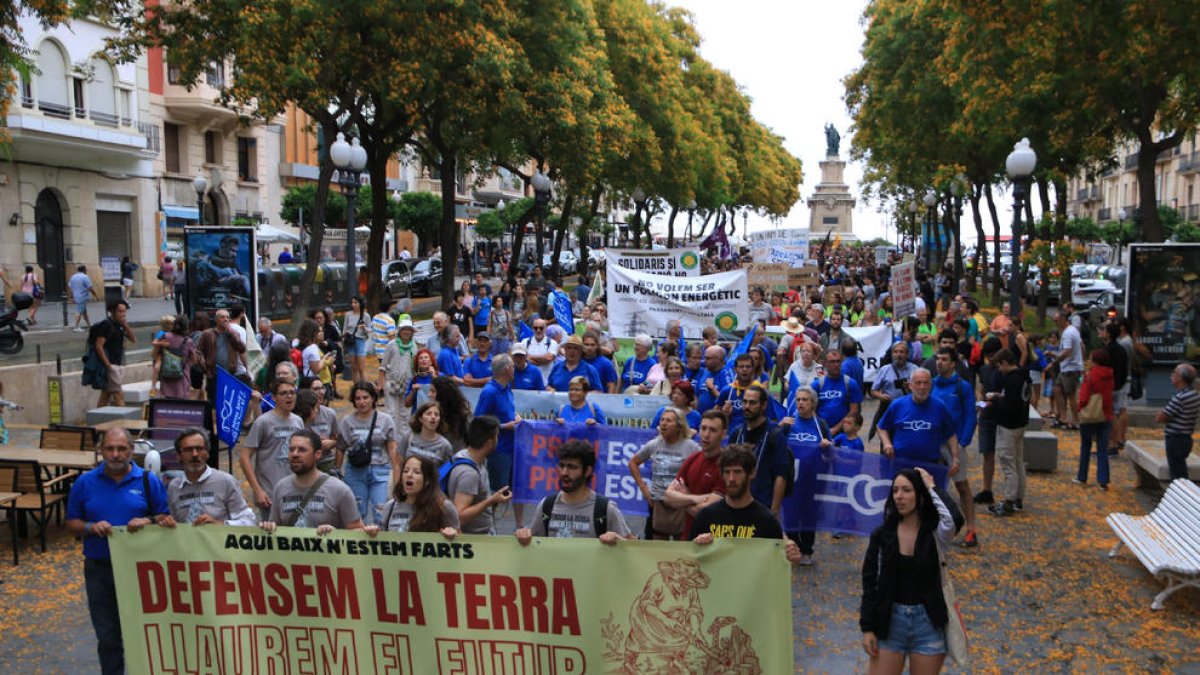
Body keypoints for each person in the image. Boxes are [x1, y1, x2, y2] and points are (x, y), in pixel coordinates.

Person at [66, 428, 174, 675]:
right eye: (110, 449)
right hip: (100, 570)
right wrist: (91, 527)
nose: (115, 454)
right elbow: (71, 523)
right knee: (108, 636)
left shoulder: (148, 481)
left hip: (141, 570)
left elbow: (165, 518)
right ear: (101, 450)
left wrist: (148, 522)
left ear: (131, 450)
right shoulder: (84, 483)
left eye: (121, 448)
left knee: (145, 633)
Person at [860, 468, 956, 675]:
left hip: (928, 624)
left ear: (920, 496)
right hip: (889, 622)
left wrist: (931, 486)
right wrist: (868, 627)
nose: (899, 496)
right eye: (895, 491)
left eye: (906, 490)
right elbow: (870, 584)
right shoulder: (882, 535)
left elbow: (954, 519)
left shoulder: (935, 533)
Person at [689, 444, 803, 561]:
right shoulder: (706, 516)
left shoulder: (766, 521)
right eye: (727, 472)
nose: (732, 478)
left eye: (737, 472)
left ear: (752, 473)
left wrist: (791, 556)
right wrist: (698, 545)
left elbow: (778, 565)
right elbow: (689, 560)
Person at [517, 439, 632, 543]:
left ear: (587, 471)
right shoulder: (547, 506)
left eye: (572, 467)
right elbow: (533, 543)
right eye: (562, 466)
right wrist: (524, 535)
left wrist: (618, 540)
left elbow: (635, 549)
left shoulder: (606, 509)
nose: (564, 473)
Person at [261, 430, 363, 533]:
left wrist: (335, 533)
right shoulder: (281, 488)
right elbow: (275, 528)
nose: (295, 454)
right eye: (291, 449)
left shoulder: (339, 490)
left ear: (317, 454)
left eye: (302, 450)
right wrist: (269, 527)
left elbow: (358, 532)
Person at [931, 347, 979, 547]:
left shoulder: (963, 387)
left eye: (944, 359)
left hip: (954, 445)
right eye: (938, 359)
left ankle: (971, 530)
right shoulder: (931, 384)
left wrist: (963, 442)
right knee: (934, 487)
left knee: (962, 485)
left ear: (953, 363)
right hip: (933, 444)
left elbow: (970, 415)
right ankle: (935, 529)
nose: (939, 362)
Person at [629, 406, 700, 540]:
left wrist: (692, 494)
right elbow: (633, 463)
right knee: (656, 550)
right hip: (657, 503)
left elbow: (703, 466)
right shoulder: (654, 444)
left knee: (681, 548)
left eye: (668, 420)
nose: (663, 423)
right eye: (662, 420)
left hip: (680, 504)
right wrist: (644, 489)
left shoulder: (691, 447)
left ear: (679, 426)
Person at [240, 378, 306, 517]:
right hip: (270, 495)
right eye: (283, 393)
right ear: (274, 397)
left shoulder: (298, 421)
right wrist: (257, 489)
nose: (289, 396)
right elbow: (244, 457)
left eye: (292, 393)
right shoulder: (263, 422)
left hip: (296, 494)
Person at [336, 382, 399, 526]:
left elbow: (392, 447)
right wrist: (337, 472)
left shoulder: (386, 420)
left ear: (373, 399)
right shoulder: (347, 421)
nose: (362, 402)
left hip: (380, 469)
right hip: (355, 471)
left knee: (381, 511)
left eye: (365, 397)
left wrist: (397, 472)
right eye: (358, 398)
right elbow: (340, 448)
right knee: (358, 512)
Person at [167, 428, 256, 526]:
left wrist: (220, 524)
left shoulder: (225, 481)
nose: (195, 454)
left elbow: (249, 520)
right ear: (179, 456)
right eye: (188, 450)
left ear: (208, 453)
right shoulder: (174, 486)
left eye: (200, 449)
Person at [878, 368, 960, 473]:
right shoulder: (897, 405)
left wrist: (955, 458)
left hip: (930, 465)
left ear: (930, 385)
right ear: (910, 386)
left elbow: (951, 434)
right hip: (901, 465)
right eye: (918, 383)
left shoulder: (940, 406)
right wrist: (887, 443)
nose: (922, 387)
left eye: (926, 383)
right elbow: (881, 427)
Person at [474, 353, 522, 523]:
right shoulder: (489, 392)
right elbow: (478, 420)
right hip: (499, 449)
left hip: (512, 446)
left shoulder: (507, 388)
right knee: (497, 491)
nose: (515, 370)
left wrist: (515, 417)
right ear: (507, 369)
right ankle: (487, 524)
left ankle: (519, 525)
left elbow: (508, 411)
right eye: (513, 367)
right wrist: (503, 426)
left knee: (516, 488)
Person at [665, 410, 729, 536]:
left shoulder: (727, 465)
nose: (706, 435)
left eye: (713, 430)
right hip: (688, 537)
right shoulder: (693, 458)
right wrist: (696, 498)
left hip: (714, 540)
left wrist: (683, 500)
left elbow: (706, 511)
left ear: (723, 434)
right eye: (703, 428)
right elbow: (668, 497)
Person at [447, 416, 513, 535]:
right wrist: (492, 500)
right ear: (489, 442)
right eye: (497, 436)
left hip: (485, 531)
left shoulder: (475, 458)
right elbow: (460, 516)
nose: (498, 439)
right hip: (475, 538)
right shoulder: (469, 474)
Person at [365, 455, 459, 536]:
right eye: (405, 471)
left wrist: (451, 534)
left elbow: (461, 541)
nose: (409, 475)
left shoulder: (443, 507)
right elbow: (381, 539)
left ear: (427, 481)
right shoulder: (390, 506)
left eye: (416, 472)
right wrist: (373, 532)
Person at [986, 349, 1032, 517]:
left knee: (1008, 464)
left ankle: (1009, 501)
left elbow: (1008, 407)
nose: (999, 370)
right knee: (1018, 463)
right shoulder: (1024, 376)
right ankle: (1018, 497)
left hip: (1008, 426)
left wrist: (995, 400)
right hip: (1020, 424)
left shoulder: (1012, 380)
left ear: (1005, 362)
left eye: (1000, 366)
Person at [1074, 349, 1114, 490]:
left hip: (1090, 415)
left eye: (1091, 359)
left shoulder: (1090, 376)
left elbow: (1084, 397)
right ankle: (1103, 480)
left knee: (1086, 445)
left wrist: (1080, 408)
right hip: (1106, 414)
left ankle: (1082, 476)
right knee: (1102, 448)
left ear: (1095, 361)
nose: (1089, 362)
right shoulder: (1110, 375)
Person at [1156, 363, 1200, 480]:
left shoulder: (1180, 398)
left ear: (1180, 377)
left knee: (1177, 474)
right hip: (1186, 437)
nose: (1171, 376)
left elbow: (1161, 418)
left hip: (1175, 439)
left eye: (1174, 373)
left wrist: (1162, 413)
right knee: (1180, 468)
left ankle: (1182, 495)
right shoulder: (1194, 395)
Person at [90, 300, 136, 408]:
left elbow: (133, 339)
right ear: (112, 311)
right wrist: (108, 365)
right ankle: (125, 421)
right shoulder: (106, 324)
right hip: (111, 366)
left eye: (124, 311)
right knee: (119, 395)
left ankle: (98, 420)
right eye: (120, 311)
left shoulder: (119, 325)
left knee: (105, 396)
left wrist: (125, 325)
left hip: (116, 364)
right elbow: (99, 345)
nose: (123, 314)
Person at [198, 308, 248, 405]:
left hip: (230, 375)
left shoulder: (233, 333)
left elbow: (242, 349)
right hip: (214, 375)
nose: (225, 319)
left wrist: (231, 333)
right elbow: (198, 352)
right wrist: (205, 367)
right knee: (214, 404)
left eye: (227, 317)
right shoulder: (207, 334)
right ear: (216, 320)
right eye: (222, 317)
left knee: (229, 403)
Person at [810, 348, 863, 439]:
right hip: (821, 432)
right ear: (825, 363)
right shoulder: (817, 385)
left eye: (838, 361)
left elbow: (854, 411)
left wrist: (835, 429)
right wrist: (820, 428)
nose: (836, 365)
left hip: (844, 432)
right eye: (832, 362)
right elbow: (811, 410)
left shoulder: (850, 383)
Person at [870, 342, 917, 439]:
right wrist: (881, 396)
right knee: (887, 438)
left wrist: (912, 388)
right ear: (891, 354)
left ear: (907, 354)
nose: (898, 354)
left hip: (908, 411)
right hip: (888, 410)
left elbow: (922, 390)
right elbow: (873, 390)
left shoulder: (915, 369)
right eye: (895, 352)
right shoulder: (884, 370)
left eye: (901, 352)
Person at [380, 317, 417, 423]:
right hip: (391, 382)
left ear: (412, 332)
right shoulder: (391, 345)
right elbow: (383, 365)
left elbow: (415, 366)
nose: (406, 332)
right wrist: (381, 383)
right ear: (400, 331)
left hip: (407, 382)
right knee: (390, 413)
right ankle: (390, 436)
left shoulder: (414, 346)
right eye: (404, 329)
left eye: (409, 329)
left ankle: (403, 438)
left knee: (404, 413)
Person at [1052, 311, 1084, 430]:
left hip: (1070, 367)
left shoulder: (1068, 333)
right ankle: (1063, 417)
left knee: (1071, 394)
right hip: (1067, 367)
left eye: (1056, 321)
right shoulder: (1073, 330)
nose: (1055, 323)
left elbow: (1067, 350)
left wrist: (1055, 361)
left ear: (1063, 319)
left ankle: (1076, 421)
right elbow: (1082, 346)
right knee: (1057, 389)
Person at [151, 314, 195, 399]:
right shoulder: (188, 341)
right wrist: (186, 365)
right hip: (182, 378)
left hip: (166, 377)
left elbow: (154, 354)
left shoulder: (165, 336)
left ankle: (153, 386)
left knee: (167, 403)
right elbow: (194, 359)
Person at [429, 376, 472, 451]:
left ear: (443, 394)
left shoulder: (463, 416)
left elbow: (472, 441)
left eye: (433, 391)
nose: (429, 394)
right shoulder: (428, 415)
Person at [694, 345, 732, 413]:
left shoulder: (726, 375)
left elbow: (727, 401)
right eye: (704, 358)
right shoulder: (704, 371)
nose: (704, 361)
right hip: (701, 418)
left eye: (708, 358)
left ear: (719, 360)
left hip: (716, 419)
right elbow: (696, 395)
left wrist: (712, 389)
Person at [344, 295, 371, 384]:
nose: (353, 304)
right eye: (352, 302)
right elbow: (345, 329)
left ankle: (365, 386)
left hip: (360, 340)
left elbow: (370, 330)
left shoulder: (365, 316)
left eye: (356, 302)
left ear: (360, 304)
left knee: (361, 367)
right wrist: (343, 340)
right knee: (353, 367)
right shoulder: (348, 314)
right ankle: (356, 386)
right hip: (350, 341)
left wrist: (364, 328)